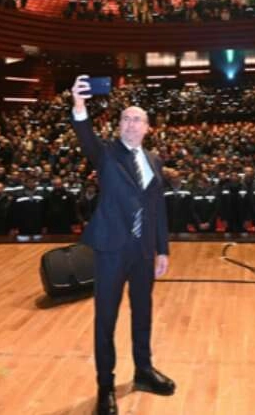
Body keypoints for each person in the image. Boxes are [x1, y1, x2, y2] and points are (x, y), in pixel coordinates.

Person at [70, 75, 175, 415]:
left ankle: (143, 371)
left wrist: (162, 249)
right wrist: (80, 106)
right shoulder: (106, 154)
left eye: (137, 119)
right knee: (106, 319)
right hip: (112, 249)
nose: (131, 123)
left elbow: (157, 208)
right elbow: (86, 139)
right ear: (119, 126)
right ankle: (105, 386)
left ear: (147, 127)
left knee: (142, 313)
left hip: (143, 251)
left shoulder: (154, 160)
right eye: (125, 118)